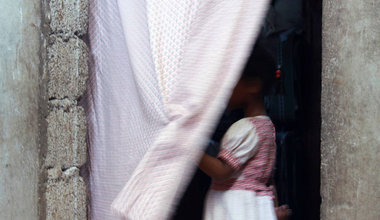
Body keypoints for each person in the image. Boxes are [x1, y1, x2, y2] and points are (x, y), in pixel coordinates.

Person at [198, 42, 280, 220]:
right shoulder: (267, 127)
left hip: (236, 208)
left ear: (252, 85)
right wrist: (273, 210)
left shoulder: (246, 128)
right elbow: (269, 180)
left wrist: (189, 151)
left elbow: (222, 171)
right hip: (255, 206)